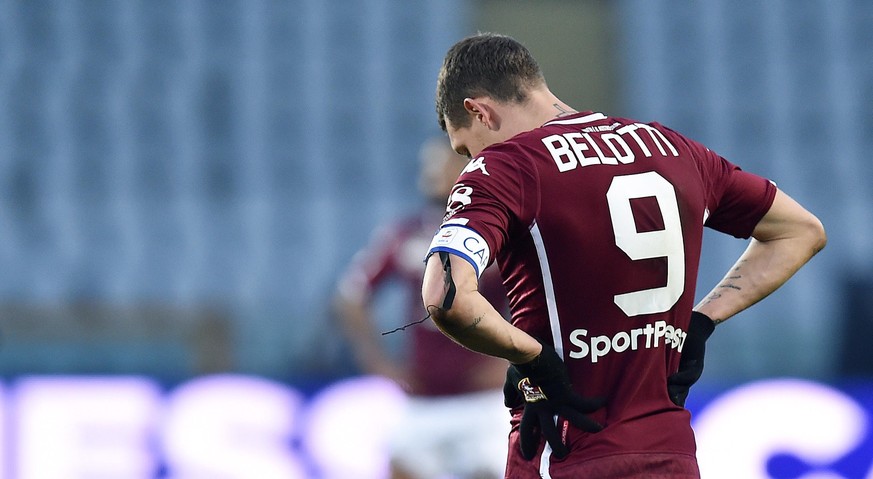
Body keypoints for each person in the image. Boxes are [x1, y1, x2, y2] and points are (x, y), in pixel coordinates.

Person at [421, 33, 826, 478]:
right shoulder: (673, 147)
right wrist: (702, 321)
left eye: (465, 147)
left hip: (568, 452)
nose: (470, 158)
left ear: (477, 110)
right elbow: (800, 231)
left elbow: (447, 294)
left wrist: (531, 357)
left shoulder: (505, 167)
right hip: (670, 454)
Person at [334, 137, 512, 479]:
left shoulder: (499, 231)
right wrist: (378, 362)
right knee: (400, 466)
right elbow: (351, 298)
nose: (433, 172)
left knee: (495, 470)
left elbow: (543, 296)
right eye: (429, 164)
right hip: (424, 397)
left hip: (484, 399)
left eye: (443, 162)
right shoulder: (404, 235)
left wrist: (512, 358)